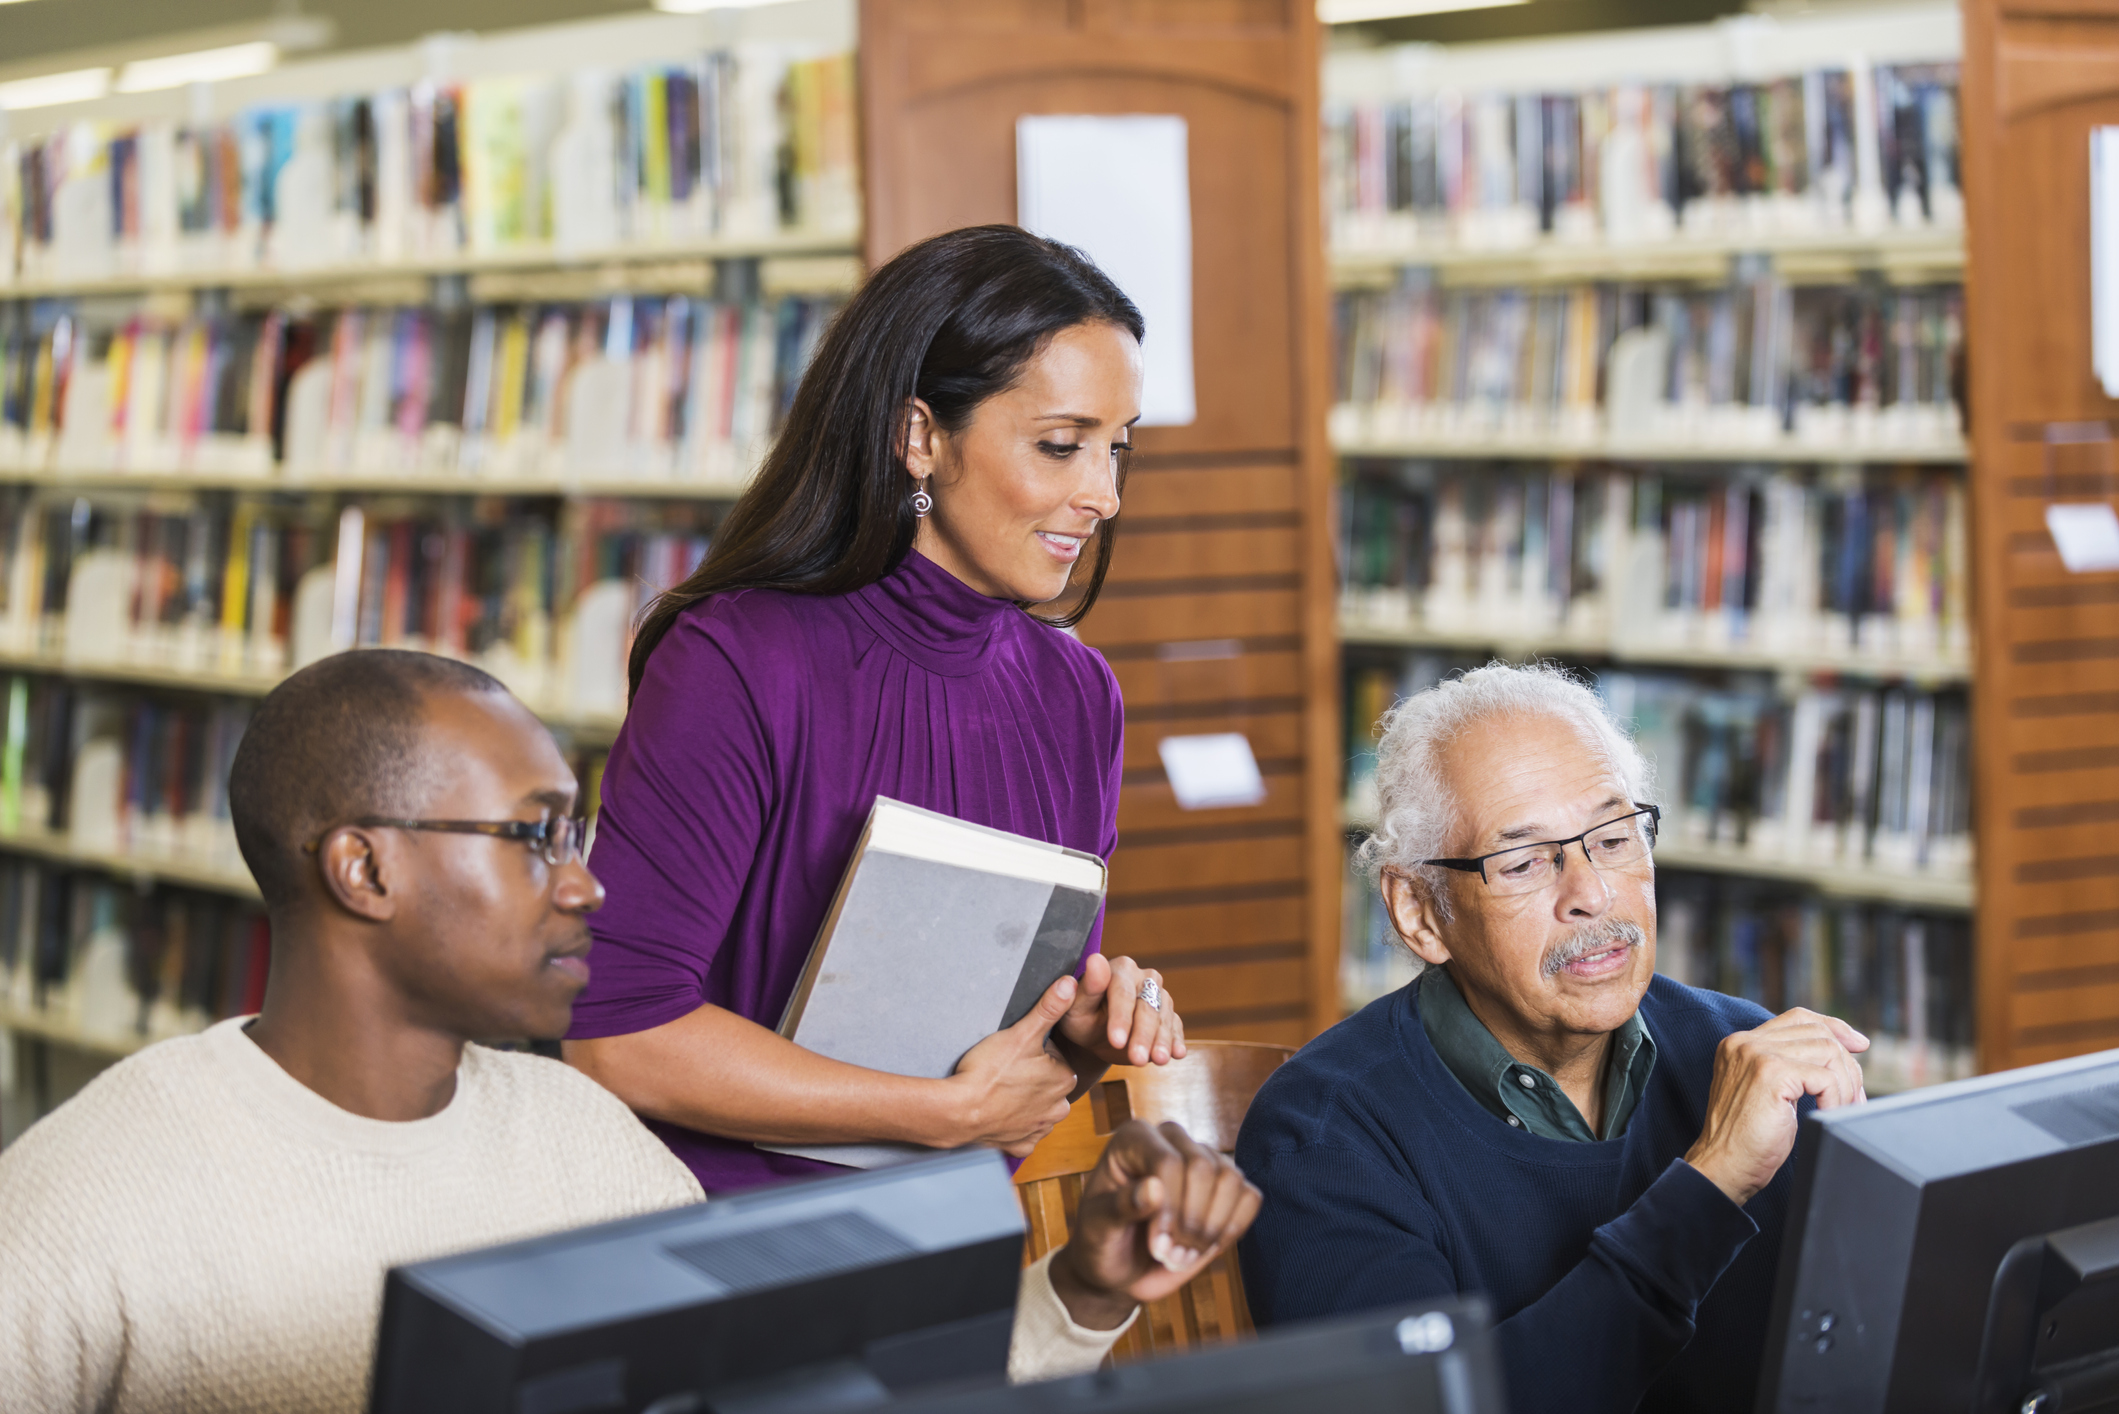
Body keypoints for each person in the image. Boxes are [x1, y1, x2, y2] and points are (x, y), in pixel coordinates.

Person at [0, 651, 1261, 1414]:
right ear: (363, 870)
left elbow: (829, 1398)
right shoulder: (87, 1200)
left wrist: (1086, 1287)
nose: (588, 883)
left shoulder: (587, 1148)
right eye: (535, 834)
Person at [564, 225, 1184, 1194]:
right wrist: (935, 1112)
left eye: (1118, 448)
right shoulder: (737, 660)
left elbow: (1010, 1032)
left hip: (959, 1223)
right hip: (731, 1240)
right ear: (920, 436)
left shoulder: (1075, 694)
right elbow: (616, 1035)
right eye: (1061, 446)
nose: (1101, 494)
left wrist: (1089, 1022)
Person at [1234, 663, 1869, 1414]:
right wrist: (1711, 1185)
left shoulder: (1749, 1055)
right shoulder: (1324, 1136)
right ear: (1418, 913)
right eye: (1525, 861)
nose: (1591, 894)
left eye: (1612, 837)